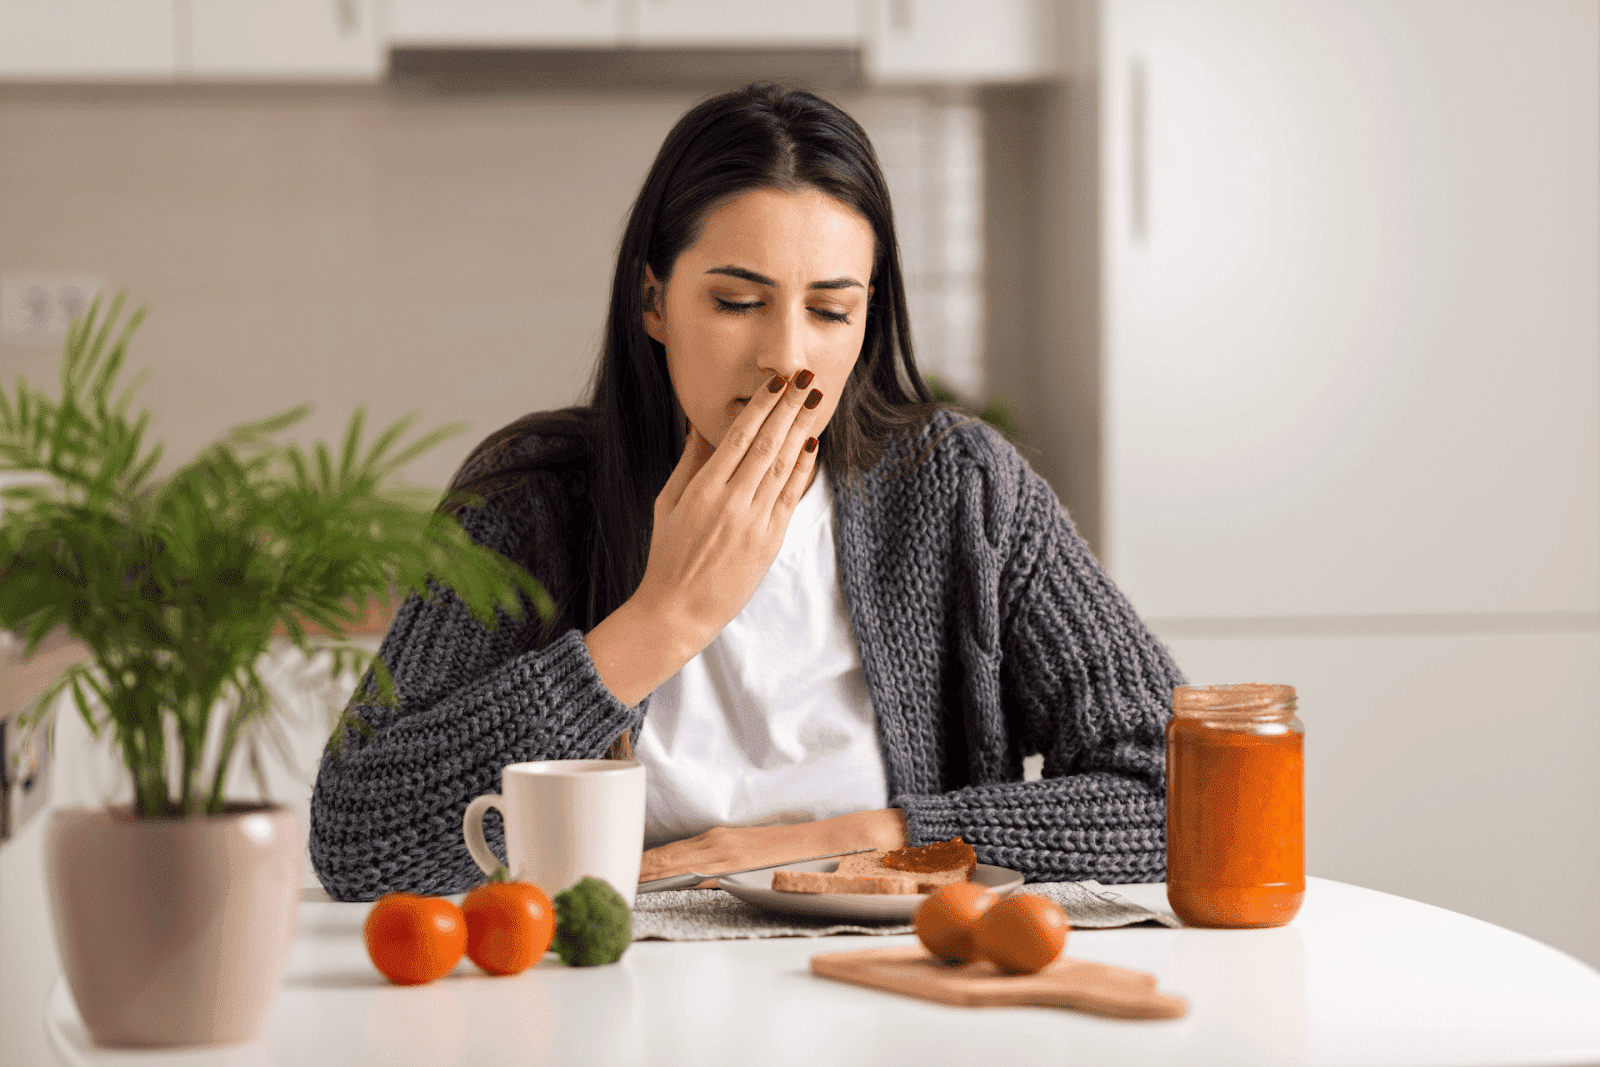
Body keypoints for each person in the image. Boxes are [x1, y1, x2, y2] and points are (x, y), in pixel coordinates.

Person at [309, 83, 1186, 903]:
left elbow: (1175, 792)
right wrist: (662, 621)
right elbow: (359, 841)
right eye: (737, 301)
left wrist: (867, 840)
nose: (787, 355)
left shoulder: (962, 492)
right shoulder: (528, 500)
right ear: (654, 300)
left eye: (832, 311)